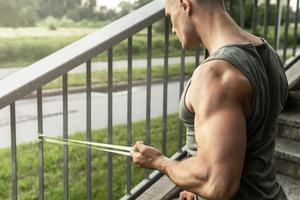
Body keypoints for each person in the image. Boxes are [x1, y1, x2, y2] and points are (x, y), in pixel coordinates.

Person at [131, 0, 289, 199]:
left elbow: (216, 183)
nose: (172, 29)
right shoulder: (269, 54)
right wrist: (196, 188)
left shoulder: (216, 74)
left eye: (170, 16)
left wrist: (158, 161)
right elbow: (248, 143)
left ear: (185, 4)